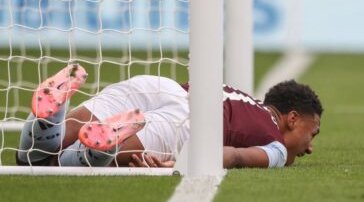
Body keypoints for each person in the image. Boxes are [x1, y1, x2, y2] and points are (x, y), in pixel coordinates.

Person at [16, 64, 323, 169]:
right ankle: (100, 146)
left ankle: (50, 119)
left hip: (160, 87)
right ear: (293, 118)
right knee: (65, 163)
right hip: (190, 123)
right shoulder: (278, 148)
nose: (309, 147)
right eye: (313, 133)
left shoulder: (242, 98)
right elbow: (234, 156)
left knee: (33, 157)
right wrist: (187, 161)